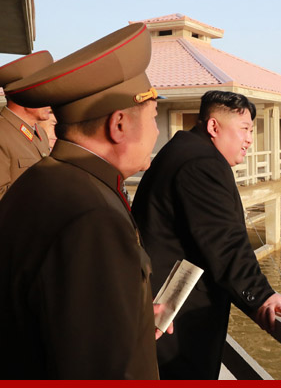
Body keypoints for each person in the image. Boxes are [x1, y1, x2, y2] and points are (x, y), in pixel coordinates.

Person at [0, 23, 171, 379]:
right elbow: (101, 369)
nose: (158, 132)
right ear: (119, 125)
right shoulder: (93, 217)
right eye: (154, 117)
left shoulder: (48, 179)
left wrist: (132, 316)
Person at [132, 90, 281, 380]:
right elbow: (225, 243)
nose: (249, 139)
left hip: (157, 298)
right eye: (244, 129)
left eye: (251, 131)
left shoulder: (182, 149)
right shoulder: (202, 164)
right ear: (213, 127)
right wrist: (261, 297)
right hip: (177, 319)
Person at [0, 51, 53, 199]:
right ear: (24, 94)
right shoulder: (2, 134)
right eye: (43, 92)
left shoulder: (39, 133)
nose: (50, 99)